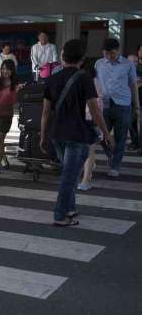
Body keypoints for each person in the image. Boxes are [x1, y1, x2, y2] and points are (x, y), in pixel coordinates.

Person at [41, 39, 112, 227]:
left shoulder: (52, 78)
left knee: (69, 173)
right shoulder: (84, 78)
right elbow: (95, 110)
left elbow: (46, 112)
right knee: (70, 176)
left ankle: (70, 208)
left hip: (57, 134)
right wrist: (106, 132)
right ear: (82, 58)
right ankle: (59, 215)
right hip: (76, 134)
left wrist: (42, 136)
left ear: (63, 56)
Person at [95, 38, 140, 177]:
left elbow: (133, 86)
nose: (109, 56)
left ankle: (116, 166)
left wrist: (137, 106)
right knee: (101, 136)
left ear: (118, 51)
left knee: (120, 138)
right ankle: (111, 155)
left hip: (123, 105)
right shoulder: (99, 63)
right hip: (104, 105)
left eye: (112, 54)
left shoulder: (128, 64)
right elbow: (96, 82)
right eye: (106, 53)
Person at [78, 66, 105, 191]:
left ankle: (86, 179)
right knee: (88, 151)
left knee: (87, 150)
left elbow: (97, 106)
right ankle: (86, 177)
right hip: (87, 120)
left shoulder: (87, 83)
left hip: (86, 120)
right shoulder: (95, 83)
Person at [126, 53, 140, 151]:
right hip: (129, 101)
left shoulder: (139, 71)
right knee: (132, 123)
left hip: (139, 101)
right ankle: (135, 142)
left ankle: (137, 143)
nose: (133, 63)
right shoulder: (125, 72)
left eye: (135, 61)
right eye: (131, 61)